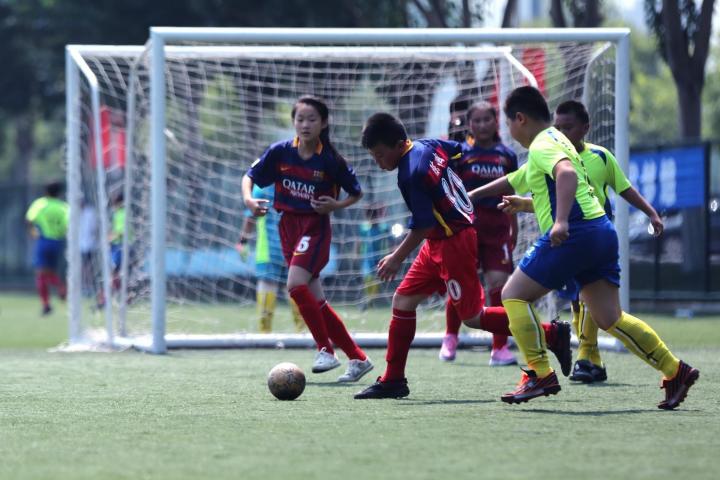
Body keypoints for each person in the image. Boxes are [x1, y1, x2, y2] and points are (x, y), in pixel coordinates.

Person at [468, 86, 698, 409]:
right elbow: (518, 178)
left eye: (508, 123)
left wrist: (561, 221)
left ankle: (539, 373)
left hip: (575, 232)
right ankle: (674, 369)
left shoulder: (543, 144)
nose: (509, 131)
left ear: (520, 119)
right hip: (600, 231)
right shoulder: (557, 140)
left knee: (513, 295)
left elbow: (565, 175)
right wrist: (474, 195)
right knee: (610, 317)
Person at [354, 112, 571, 400]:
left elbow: (423, 225)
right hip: (438, 241)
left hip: (453, 243)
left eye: (380, 155)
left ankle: (552, 334)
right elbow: (457, 150)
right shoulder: (427, 145)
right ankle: (393, 379)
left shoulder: (411, 173)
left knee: (473, 317)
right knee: (403, 301)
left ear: (397, 144)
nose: (379, 162)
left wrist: (396, 257)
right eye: (374, 157)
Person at [242, 95, 373, 383]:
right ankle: (358, 358)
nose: (305, 124)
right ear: (293, 122)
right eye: (300, 119)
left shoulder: (330, 160)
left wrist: (335, 206)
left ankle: (325, 349)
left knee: (295, 285)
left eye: (312, 119)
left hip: (314, 227)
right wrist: (249, 200)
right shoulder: (280, 152)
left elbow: (356, 192)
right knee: (317, 300)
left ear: (323, 123)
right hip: (287, 227)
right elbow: (249, 176)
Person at [553, 99, 665, 383]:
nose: (562, 133)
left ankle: (584, 356)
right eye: (558, 128)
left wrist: (651, 213)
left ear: (585, 128)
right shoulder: (552, 160)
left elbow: (624, 188)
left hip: (596, 236)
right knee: (576, 300)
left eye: (568, 127)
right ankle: (594, 362)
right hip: (567, 238)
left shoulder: (600, 157)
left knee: (588, 296)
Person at [440, 101, 519, 366]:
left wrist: (514, 226)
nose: (483, 125)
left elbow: (512, 192)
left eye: (487, 119)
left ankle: (499, 347)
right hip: (467, 229)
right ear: (469, 124)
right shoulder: (460, 154)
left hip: (498, 229)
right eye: (477, 120)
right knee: (461, 284)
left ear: (496, 122)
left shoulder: (507, 155)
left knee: (499, 285)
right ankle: (450, 336)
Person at [236, 184, 303, 333]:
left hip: (269, 249)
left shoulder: (262, 186)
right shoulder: (294, 182)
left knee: (268, 284)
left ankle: (265, 333)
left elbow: (251, 217)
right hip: (293, 246)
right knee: (295, 286)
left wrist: (243, 241)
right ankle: (302, 332)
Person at [26, 181, 69, 315]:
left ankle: (47, 302)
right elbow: (68, 225)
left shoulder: (41, 204)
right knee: (49, 272)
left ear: (46, 192)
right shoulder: (64, 207)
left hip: (44, 241)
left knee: (40, 274)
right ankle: (60, 289)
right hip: (58, 242)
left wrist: (33, 232)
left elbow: (29, 219)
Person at [358, 203, 390, 311]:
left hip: (379, 257)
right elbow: (359, 240)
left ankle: (369, 300)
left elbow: (389, 239)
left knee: (376, 279)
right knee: (367, 278)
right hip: (367, 257)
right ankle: (368, 299)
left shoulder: (383, 228)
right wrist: (356, 252)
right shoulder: (364, 228)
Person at [79, 197, 98, 297]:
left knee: (88, 267)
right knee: (83, 267)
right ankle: (83, 286)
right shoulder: (75, 213)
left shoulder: (90, 212)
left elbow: (94, 229)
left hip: (89, 244)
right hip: (80, 245)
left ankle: (88, 286)